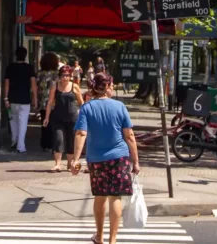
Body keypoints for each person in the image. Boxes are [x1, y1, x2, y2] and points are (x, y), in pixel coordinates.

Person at [71, 73, 140, 244]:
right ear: (108, 87)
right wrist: (136, 161)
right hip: (119, 158)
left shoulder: (87, 108)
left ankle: (99, 237)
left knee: (100, 196)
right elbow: (129, 135)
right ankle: (113, 240)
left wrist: (76, 159)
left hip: (96, 159)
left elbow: (81, 133)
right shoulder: (119, 106)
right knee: (115, 197)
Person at [44, 64, 83, 172]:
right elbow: (50, 103)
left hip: (72, 118)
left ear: (70, 76)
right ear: (59, 76)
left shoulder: (74, 86)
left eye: (67, 75)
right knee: (58, 139)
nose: (65, 77)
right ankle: (57, 164)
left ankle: (70, 164)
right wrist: (46, 117)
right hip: (58, 117)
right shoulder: (55, 86)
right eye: (62, 75)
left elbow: (81, 102)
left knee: (71, 141)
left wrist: (83, 116)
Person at [4, 46, 37, 153]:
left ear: (15, 55)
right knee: (23, 123)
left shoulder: (10, 67)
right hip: (25, 99)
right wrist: (35, 98)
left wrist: (5, 98)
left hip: (12, 99)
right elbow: (33, 84)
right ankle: (21, 146)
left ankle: (14, 140)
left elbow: (7, 84)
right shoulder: (29, 68)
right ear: (25, 56)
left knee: (13, 120)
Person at [37, 52, 60, 151]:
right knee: (53, 124)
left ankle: (44, 144)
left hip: (43, 102)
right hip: (54, 102)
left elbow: (37, 87)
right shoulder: (56, 74)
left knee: (44, 123)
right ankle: (52, 144)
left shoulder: (39, 73)